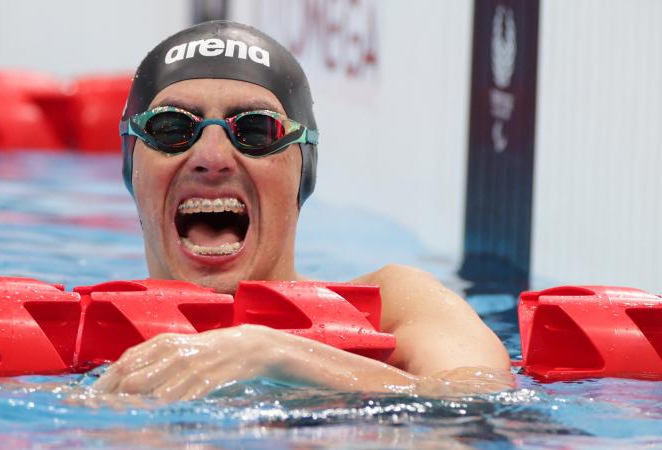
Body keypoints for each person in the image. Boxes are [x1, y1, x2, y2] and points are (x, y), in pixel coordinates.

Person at [93, 21, 511, 401]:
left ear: (304, 170)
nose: (211, 155)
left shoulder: (396, 307)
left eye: (256, 129)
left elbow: (479, 402)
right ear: (131, 165)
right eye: (171, 128)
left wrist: (274, 355)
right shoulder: (59, 332)